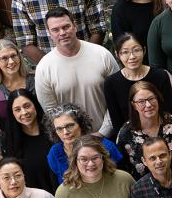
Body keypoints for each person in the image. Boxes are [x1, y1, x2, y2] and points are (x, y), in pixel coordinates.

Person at [35, 7, 120, 136]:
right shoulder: (44, 68)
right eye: (55, 30)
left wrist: (103, 133)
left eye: (66, 27)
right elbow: (52, 112)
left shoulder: (102, 54)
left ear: (74, 26)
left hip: (109, 135)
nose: (62, 32)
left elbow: (117, 95)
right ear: (49, 33)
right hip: (72, 141)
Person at [103, 33, 172, 134]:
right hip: (129, 139)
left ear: (144, 50)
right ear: (117, 54)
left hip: (163, 132)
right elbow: (116, 121)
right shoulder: (111, 83)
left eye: (136, 50)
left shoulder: (160, 76)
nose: (132, 56)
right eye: (125, 52)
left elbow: (167, 111)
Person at [115, 81, 172, 179]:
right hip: (145, 191)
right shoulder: (125, 133)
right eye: (141, 102)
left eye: (151, 99)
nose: (148, 105)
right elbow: (122, 170)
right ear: (134, 105)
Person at [44, 104, 124, 184]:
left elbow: (121, 179)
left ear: (81, 125)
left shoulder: (106, 147)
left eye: (70, 126)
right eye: (59, 129)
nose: (65, 132)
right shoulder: (55, 153)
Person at [0, 39, 35, 153]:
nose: (11, 61)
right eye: (4, 58)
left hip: (42, 143)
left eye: (13, 56)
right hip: (14, 149)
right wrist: (3, 151)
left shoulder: (34, 81)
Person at [2, 89, 58, 195]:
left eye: (27, 106)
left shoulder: (53, 130)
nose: (24, 112)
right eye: (17, 109)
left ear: (35, 105)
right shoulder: (10, 141)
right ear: (12, 113)